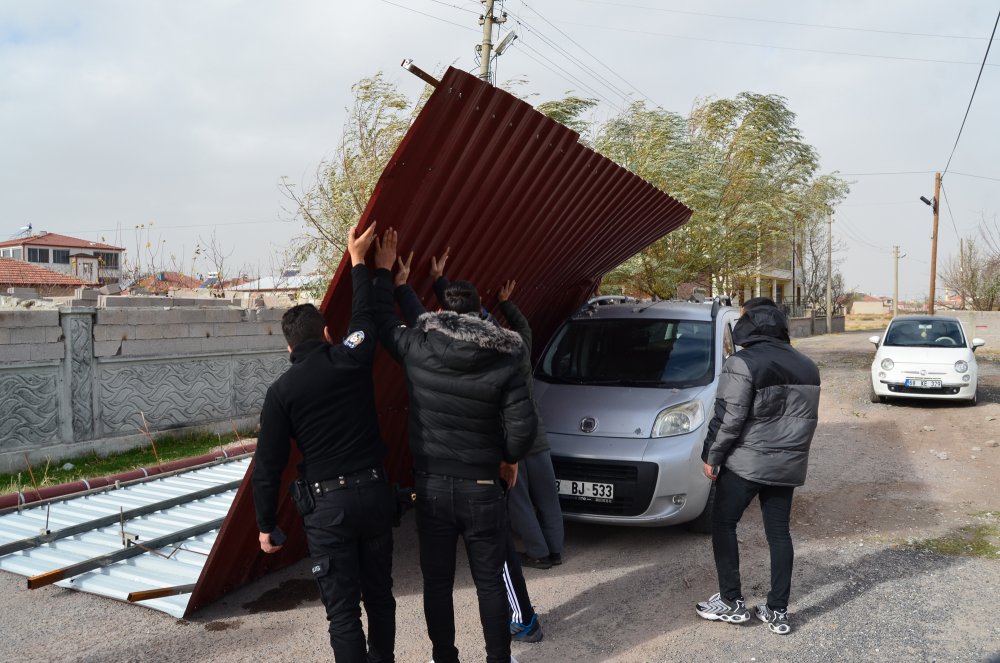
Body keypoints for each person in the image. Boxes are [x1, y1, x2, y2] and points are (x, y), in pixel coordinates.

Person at [371, 230, 537, 663]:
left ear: (442, 311)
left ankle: (444, 656)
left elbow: (388, 322)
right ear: (481, 314)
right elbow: (523, 427)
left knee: (438, 583)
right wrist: (508, 458)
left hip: (431, 487)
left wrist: (391, 277)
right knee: (488, 582)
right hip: (483, 485)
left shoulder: (419, 347)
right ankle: (498, 658)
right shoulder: (505, 358)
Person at [251, 222, 397, 662]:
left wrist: (264, 525)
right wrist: (365, 264)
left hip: (328, 509)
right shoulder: (351, 357)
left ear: (289, 349)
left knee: (343, 613)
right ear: (327, 333)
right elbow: (366, 317)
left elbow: (268, 466)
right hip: (373, 496)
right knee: (380, 597)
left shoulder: (281, 392)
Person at [695, 296, 820, 635]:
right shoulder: (808, 366)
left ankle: (731, 601)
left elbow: (727, 417)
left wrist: (712, 455)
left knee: (723, 523)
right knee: (779, 534)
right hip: (786, 467)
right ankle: (777, 610)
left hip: (746, 464)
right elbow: (807, 421)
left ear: (749, 326)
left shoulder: (742, 362)